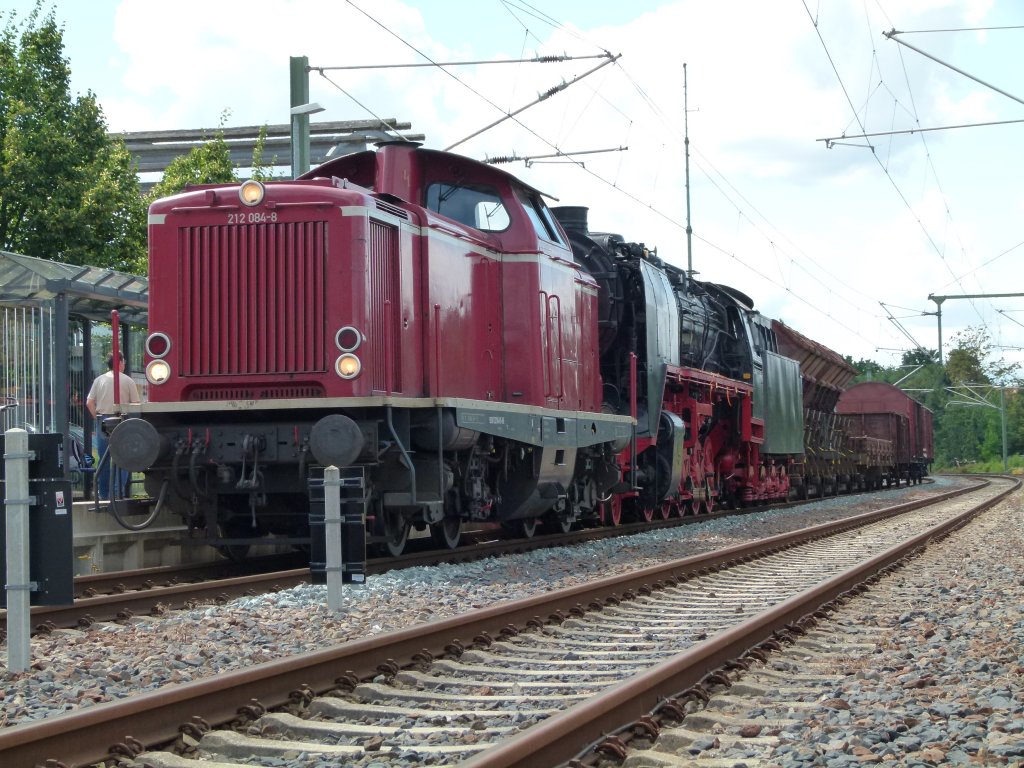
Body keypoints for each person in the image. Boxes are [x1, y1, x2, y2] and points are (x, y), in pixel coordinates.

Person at [86, 352, 141, 500]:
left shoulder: (99, 380)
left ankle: (103, 494)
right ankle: (117, 493)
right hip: (122, 420)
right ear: (120, 362)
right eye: (124, 361)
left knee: (104, 458)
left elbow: (89, 402)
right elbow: (135, 404)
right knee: (123, 456)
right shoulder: (128, 381)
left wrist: (97, 417)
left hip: (103, 420)